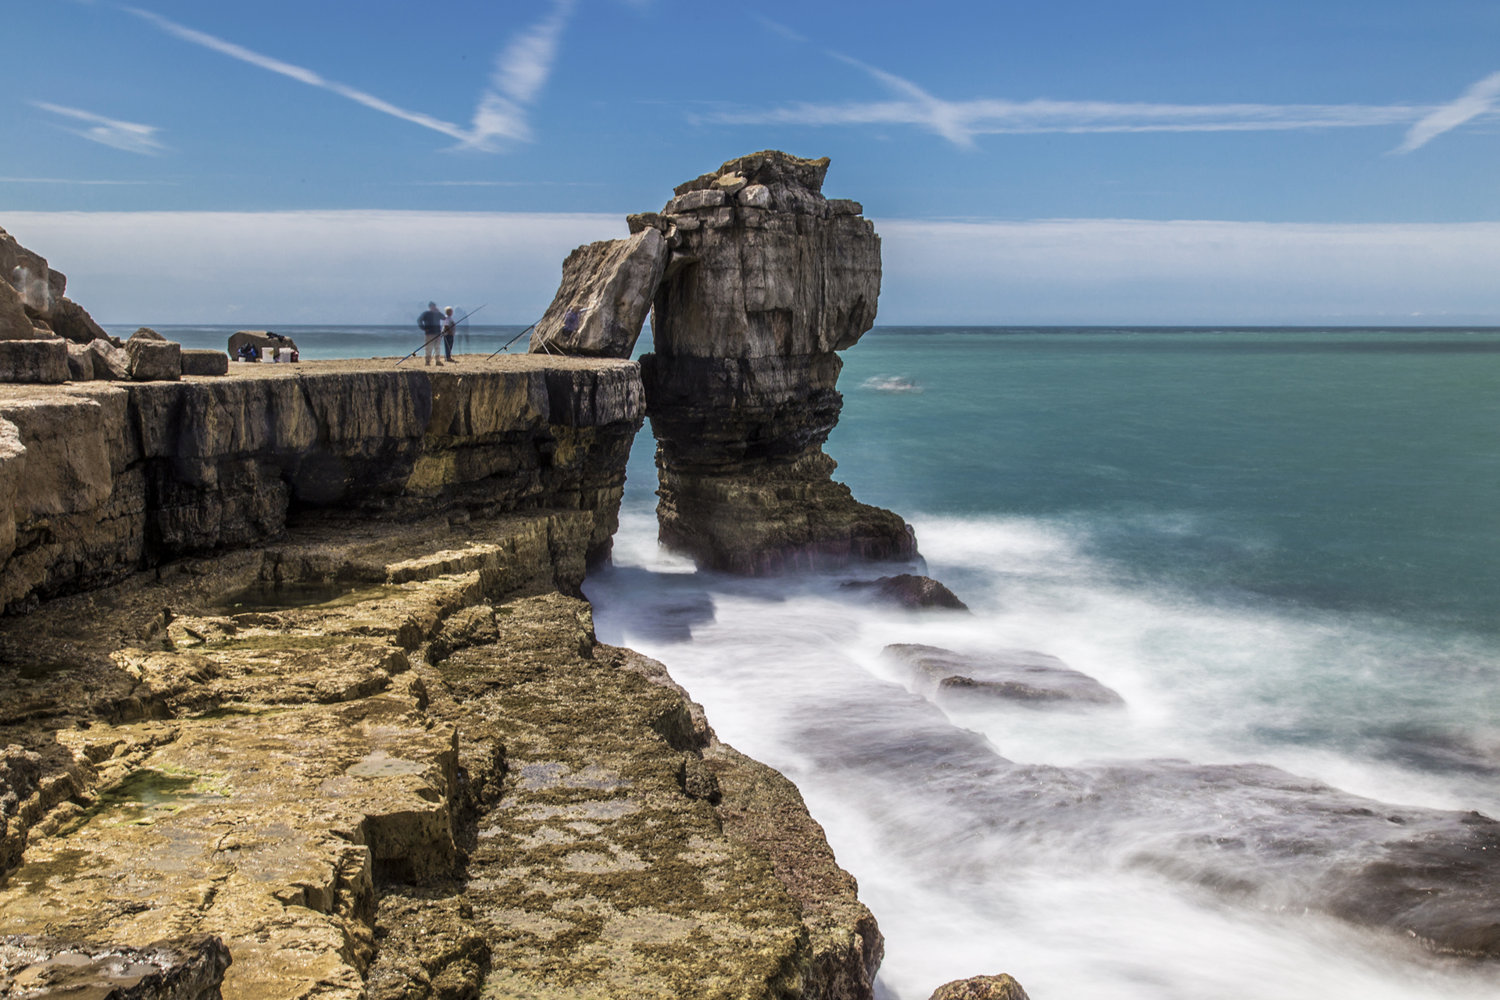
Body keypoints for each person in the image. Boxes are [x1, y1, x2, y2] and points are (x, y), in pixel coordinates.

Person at [417, 301, 443, 366]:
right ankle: (427, 361)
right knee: (429, 348)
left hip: (437, 333)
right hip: (429, 333)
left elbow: (444, 317)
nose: (434, 307)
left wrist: (438, 312)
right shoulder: (426, 313)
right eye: (433, 306)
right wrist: (423, 328)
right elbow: (419, 320)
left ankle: (437, 361)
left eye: (434, 306)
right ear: (430, 307)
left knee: (437, 347)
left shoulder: (437, 313)